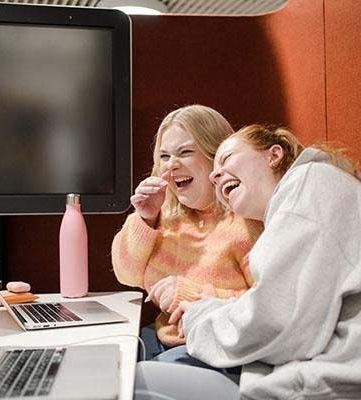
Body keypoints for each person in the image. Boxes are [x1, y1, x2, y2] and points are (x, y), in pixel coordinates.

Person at [158, 125, 361, 399]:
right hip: (348, 369)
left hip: (357, 382)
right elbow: (287, 304)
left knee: (147, 379)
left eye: (226, 159)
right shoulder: (307, 196)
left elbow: (278, 319)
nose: (214, 174)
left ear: (273, 155)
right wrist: (212, 308)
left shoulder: (310, 184)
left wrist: (199, 319)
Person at [111, 105, 263, 360]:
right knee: (102, 362)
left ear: (216, 157)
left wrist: (190, 296)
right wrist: (145, 218)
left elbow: (266, 308)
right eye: (164, 156)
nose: (171, 165)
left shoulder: (247, 222)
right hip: (163, 338)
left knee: (134, 379)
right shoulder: (165, 214)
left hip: (216, 348)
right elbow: (127, 275)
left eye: (185, 152)